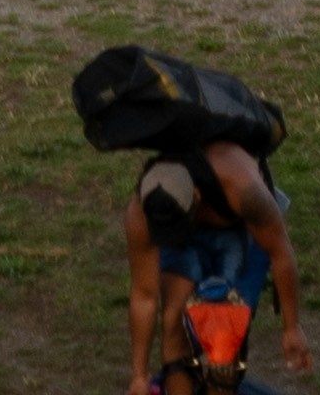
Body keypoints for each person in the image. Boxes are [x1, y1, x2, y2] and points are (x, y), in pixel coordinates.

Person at [127, 116, 307, 378]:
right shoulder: (141, 212)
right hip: (193, 223)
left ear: (197, 197)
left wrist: (291, 327)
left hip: (239, 231)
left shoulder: (244, 188)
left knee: (225, 332)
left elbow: (280, 254)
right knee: (172, 322)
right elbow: (144, 295)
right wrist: (139, 375)